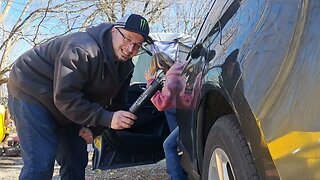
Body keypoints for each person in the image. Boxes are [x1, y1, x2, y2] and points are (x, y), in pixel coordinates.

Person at [7, 13, 152, 180]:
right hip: (32, 90)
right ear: (114, 31)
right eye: (127, 39)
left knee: (76, 158)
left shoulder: (125, 67)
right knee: (41, 163)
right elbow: (65, 97)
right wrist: (105, 117)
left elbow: (115, 106)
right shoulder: (82, 48)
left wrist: (92, 129)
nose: (130, 49)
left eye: (137, 45)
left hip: (68, 105)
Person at [144, 52, 188, 180]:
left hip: (185, 121)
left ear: (159, 68)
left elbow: (161, 104)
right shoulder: (180, 70)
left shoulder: (171, 78)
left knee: (168, 145)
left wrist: (150, 82)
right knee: (177, 146)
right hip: (187, 116)